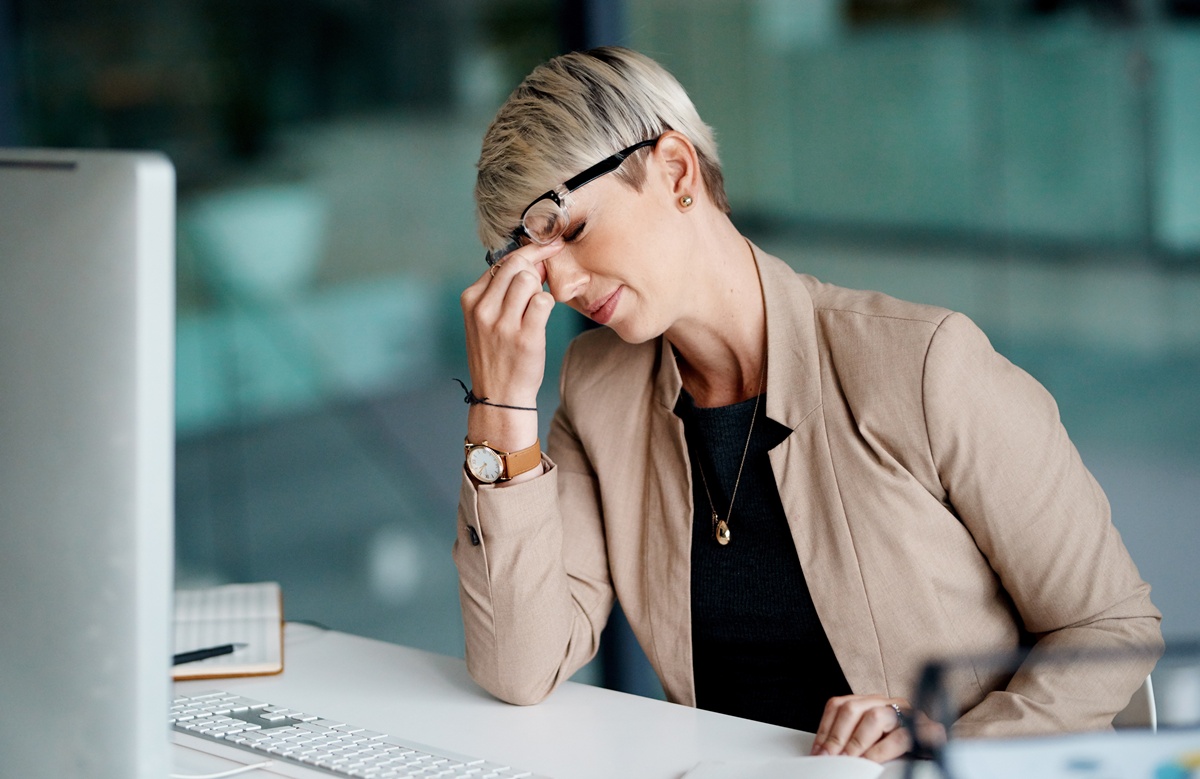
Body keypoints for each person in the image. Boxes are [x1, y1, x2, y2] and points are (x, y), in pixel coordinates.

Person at [453, 46, 1163, 763]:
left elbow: (1111, 624)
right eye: (535, 263)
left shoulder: (922, 363)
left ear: (674, 171)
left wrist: (947, 750)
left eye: (571, 230)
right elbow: (519, 664)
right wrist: (502, 404)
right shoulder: (598, 387)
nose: (564, 283)